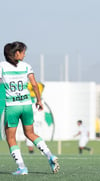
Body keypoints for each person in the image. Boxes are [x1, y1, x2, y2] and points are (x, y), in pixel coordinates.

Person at [0, 41, 60, 175]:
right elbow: (34, 84)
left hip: (12, 107)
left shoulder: (2, 66)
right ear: (16, 53)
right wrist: (39, 100)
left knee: (10, 138)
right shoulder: (26, 66)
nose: (25, 55)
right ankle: (50, 155)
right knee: (31, 134)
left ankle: (22, 167)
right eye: (23, 52)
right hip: (27, 105)